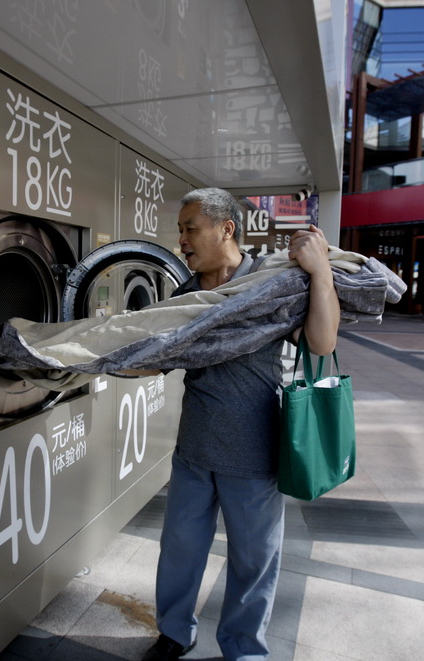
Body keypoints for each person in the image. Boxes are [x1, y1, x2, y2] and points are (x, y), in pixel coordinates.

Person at [141, 188, 339, 661]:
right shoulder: (187, 295)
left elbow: (322, 342)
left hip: (253, 456)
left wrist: (322, 271)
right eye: (181, 230)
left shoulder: (269, 283)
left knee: (253, 562)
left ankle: (244, 649)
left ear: (225, 228)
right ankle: (174, 632)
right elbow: (155, 360)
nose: (182, 239)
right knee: (180, 552)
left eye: (190, 228)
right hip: (194, 451)